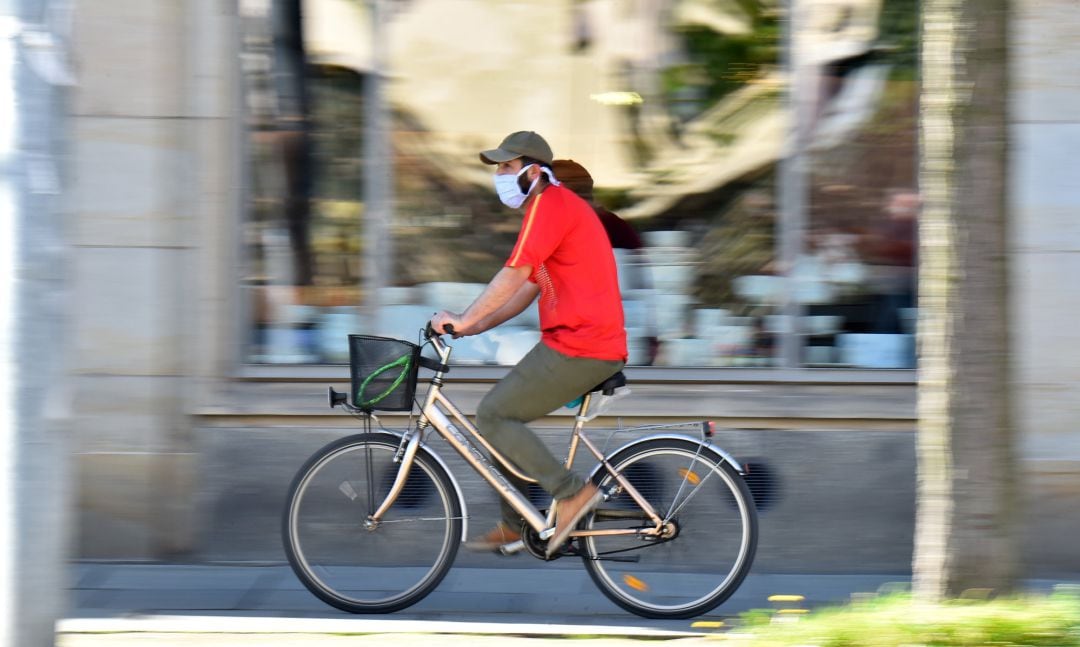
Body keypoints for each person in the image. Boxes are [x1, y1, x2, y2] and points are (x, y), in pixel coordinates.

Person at [429, 131, 627, 557]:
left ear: (533, 172)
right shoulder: (551, 210)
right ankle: (517, 522)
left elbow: (513, 274)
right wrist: (470, 327)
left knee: (494, 414)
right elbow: (525, 291)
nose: (499, 175)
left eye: (505, 166)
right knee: (502, 417)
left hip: (583, 345)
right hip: (575, 342)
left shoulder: (550, 205)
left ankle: (571, 493)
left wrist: (465, 317)